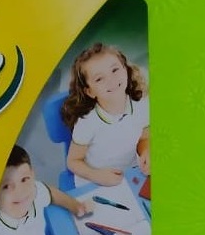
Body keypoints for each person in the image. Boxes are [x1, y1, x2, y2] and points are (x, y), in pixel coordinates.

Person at [62, 42, 150, 187]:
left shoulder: (141, 103)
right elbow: (73, 161)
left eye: (115, 70)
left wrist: (146, 151)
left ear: (125, 69)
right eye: (99, 79)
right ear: (90, 91)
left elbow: (145, 136)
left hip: (132, 173)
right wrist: (97, 176)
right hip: (95, 180)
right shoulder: (87, 122)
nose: (111, 80)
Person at [0, 144, 89, 235]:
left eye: (24, 179)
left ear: (33, 174)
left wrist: (76, 206)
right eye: (6, 186)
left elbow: (50, 193)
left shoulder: (35, 192)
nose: (20, 191)